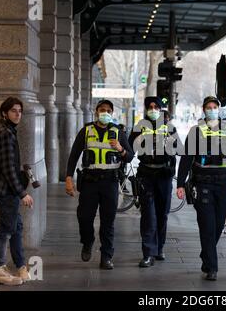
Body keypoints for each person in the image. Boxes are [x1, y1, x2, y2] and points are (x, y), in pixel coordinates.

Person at [177, 96, 226, 281]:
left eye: (215, 107)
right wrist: (180, 184)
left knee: (217, 226)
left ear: (219, 109)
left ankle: (207, 255)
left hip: (224, 184)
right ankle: (212, 268)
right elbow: (186, 159)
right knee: (207, 225)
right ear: (203, 109)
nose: (212, 110)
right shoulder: (195, 131)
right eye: (209, 107)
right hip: (203, 184)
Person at [65, 99, 134, 270]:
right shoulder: (86, 131)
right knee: (84, 217)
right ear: (96, 112)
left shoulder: (118, 132)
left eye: (108, 111)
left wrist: (121, 149)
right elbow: (74, 155)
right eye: (102, 110)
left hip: (110, 182)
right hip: (89, 181)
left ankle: (106, 256)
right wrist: (68, 177)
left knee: (108, 221)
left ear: (112, 113)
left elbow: (130, 157)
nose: (105, 113)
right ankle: (87, 241)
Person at [129, 97, 180, 267]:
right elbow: (129, 149)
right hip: (146, 174)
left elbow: (179, 149)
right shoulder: (139, 127)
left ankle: (159, 247)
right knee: (148, 215)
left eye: (155, 107)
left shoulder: (169, 128)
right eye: (150, 107)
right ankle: (148, 253)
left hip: (164, 175)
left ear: (160, 109)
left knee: (161, 214)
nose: (153, 109)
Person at [0, 97, 34, 286]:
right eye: (13, 111)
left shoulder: (6, 130)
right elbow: (8, 168)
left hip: (6, 188)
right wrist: (22, 193)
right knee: (7, 228)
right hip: (6, 189)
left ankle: (20, 266)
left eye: (20, 111)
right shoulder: (5, 133)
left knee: (16, 227)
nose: (18, 114)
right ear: (4, 113)